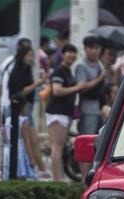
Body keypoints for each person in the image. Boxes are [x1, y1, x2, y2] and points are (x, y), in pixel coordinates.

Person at [46, 43, 89, 182]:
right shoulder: (59, 70)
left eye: (74, 52)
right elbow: (57, 90)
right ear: (63, 54)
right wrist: (77, 88)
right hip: (58, 113)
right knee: (57, 147)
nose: (72, 55)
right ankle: (57, 179)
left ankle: (57, 178)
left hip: (63, 113)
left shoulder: (68, 70)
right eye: (69, 52)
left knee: (57, 146)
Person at [7, 45, 50, 176]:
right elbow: (23, 91)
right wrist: (38, 83)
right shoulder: (17, 72)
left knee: (32, 139)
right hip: (21, 108)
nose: (32, 58)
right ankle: (41, 168)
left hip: (26, 107)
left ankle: (38, 167)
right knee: (31, 139)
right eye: (29, 55)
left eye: (32, 55)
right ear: (22, 57)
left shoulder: (27, 71)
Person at [73, 35, 108, 175]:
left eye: (97, 48)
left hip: (99, 109)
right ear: (86, 49)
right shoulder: (82, 65)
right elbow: (82, 88)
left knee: (98, 145)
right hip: (87, 110)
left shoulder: (99, 64)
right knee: (87, 144)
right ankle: (84, 178)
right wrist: (100, 78)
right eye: (91, 48)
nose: (94, 51)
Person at [4, 97, 44, 179]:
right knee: (21, 175)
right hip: (20, 150)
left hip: (8, 150)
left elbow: (5, 138)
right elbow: (26, 140)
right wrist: (31, 157)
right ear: (22, 107)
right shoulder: (24, 121)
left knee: (10, 174)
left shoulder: (7, 120)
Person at [0, 38, 32, 122]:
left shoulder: (25, 66)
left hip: (19, 105)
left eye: (29, 49)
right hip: (11, 104)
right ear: (18, 47)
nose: (26, 51)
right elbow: (2, 83)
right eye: (24, 48)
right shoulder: (11, 62)